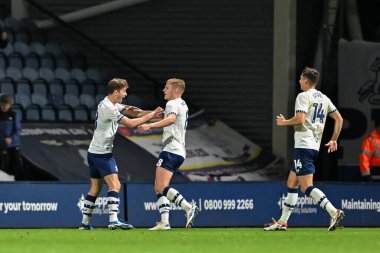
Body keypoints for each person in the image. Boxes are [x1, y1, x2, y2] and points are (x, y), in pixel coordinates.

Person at [264, 67, 344, 232]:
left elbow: (300, 119)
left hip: (304, 146)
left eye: (301, 78)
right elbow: (339, 119)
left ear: (306, 81)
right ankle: (282, 222)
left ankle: (333, 211)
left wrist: (284, 122)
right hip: (312, 146)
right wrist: (334, 139)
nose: (299, 81)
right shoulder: (324, 98)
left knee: (306, 186)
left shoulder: (303, 96)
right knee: (291, 182)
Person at [79, 78, 163, 230]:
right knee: (115, 185)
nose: (125, 94)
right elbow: (131, 123)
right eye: (124, 91)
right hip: (102, 154)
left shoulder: (111, 104)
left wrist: (153, 113)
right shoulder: (108, 108)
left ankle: (84, 223)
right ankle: (113, 220)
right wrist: (150, 117)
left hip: (93, 152)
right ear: (116, 91)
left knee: (95, 189)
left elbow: (133, 111)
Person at [137, 78, 199, 231]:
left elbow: (171, 119)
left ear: (176, 90)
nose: (164, 90)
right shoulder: (182, 104)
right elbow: (171, 118)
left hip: (171, 149)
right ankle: (164, 222)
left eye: (167, 87)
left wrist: (149, 125)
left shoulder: (172, 103)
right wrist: (157, 114)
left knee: (161, 186)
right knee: (159, 188)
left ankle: (188, 207)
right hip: (178, 150)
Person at [0, 94, 24, 180]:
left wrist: (11, 138)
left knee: (16, 166)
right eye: (3, 104)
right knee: (3, 167)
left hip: (12, 146)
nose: (5, 107)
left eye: (7, 104)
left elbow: (17, 130)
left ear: (10, 105)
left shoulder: (14, 115)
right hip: (1, 146)